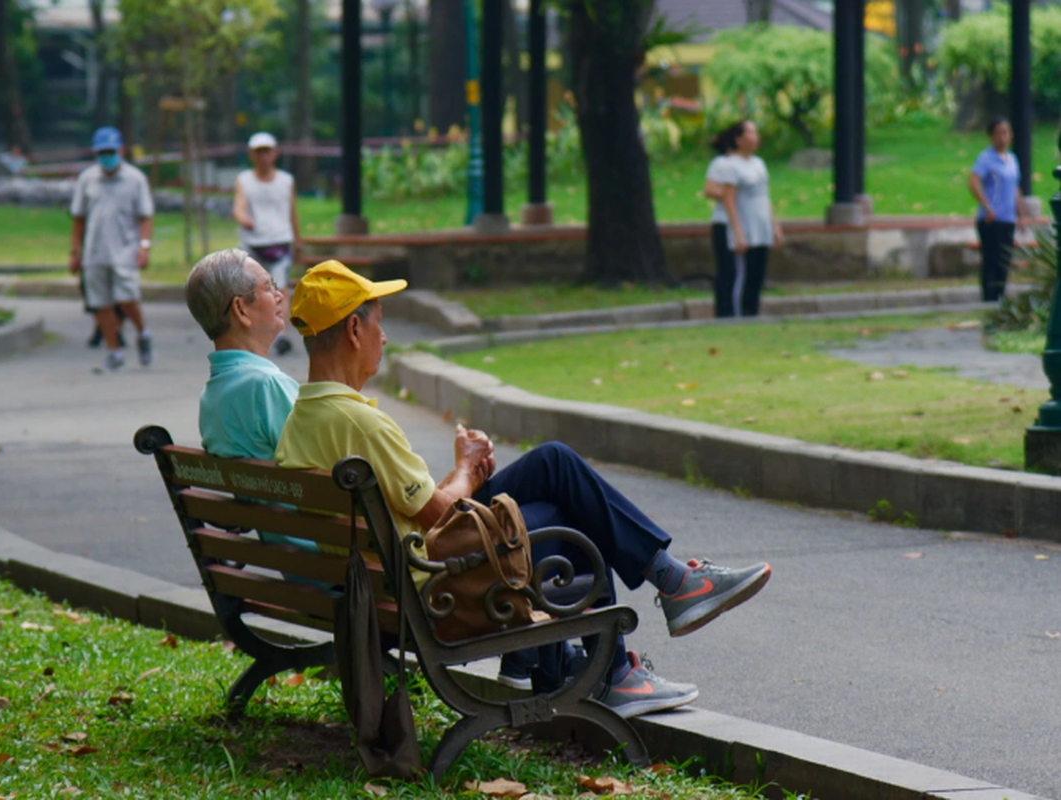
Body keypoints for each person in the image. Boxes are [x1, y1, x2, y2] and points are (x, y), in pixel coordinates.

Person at [275, 260, 774, 719]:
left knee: (553, 465)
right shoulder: (360, 422)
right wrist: (468, 468)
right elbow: (437, 515)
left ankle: (640, 616)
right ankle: (621, 659)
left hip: (386, 577)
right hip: (434, 581)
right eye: (379, 322)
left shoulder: (303, 418)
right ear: (355, 329)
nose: (384, 337)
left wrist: (466, 472)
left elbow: (421, 511)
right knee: (569, 514)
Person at [186, 248, 298, 462]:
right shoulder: (268, 386)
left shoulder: (213, 393)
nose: (279, 295)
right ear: (241, 309)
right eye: (268, 287)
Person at [69, 126, 155, 372]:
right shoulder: (87, 179)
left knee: (126, 298)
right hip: (94, 252)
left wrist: (144, 246)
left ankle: (142, 332)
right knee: (101, 303)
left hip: (124, 250)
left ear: (121, 150)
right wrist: (75, 251)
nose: (107, 156)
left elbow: (146, 216)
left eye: (111, 151)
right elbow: (78, 218)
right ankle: (113, 349)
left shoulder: (135, 179)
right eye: (102, 152)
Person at [233, 131, 301, 357]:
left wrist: (297, 241)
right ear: (251, 155)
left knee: (280, 289)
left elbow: (292, 213)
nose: (263, 157)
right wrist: (244, 219)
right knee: (249, 288)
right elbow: (239, 207)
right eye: (258, 152)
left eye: (266, 151)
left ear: (275, 153)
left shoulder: (286, 180)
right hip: (253, 243)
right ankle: (252, 330)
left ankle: (280, 334)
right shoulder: (244, 180)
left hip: (279, 241)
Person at [715, 120, 783, 318]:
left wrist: (775, 226)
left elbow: (765, 197)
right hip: (745, 227)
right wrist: (737, 232)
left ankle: (752, 313)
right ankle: (735, 315)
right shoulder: (730, 166)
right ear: (739, 139)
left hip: (760, 227)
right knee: (740, 275)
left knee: (757, 274)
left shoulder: (759, 164)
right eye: (751, 133)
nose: (756, 137)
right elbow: (728, 199)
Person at [968, 118, 1027, 303]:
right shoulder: (986, 159)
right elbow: (973, 182)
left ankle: (1000, 297)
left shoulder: (1012, 160)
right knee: (991, 260)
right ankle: (989, 298)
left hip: (1008, 218)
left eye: (1007, 132)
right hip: (991, 219)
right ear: (992, 136)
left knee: (1004, 261)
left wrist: (1021, 215)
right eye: (999, 133)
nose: (1003, 137)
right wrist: (987, 207)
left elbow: (1015, 188)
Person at [703, 132, 738, 318]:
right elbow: (709, 189)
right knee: (727, 269)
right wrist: (729, 194)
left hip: (744, 222)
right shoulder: (720, 164)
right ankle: (724, 311)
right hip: (723, 222)